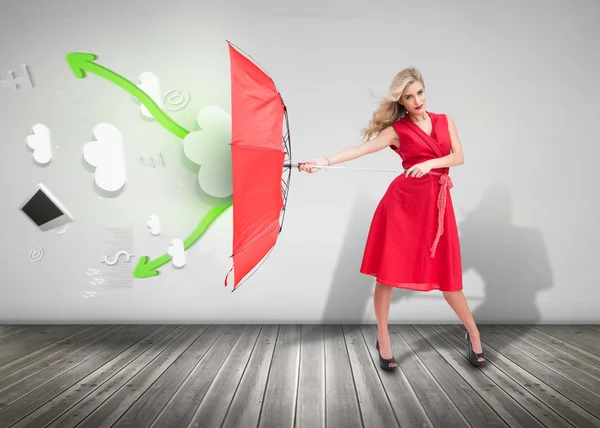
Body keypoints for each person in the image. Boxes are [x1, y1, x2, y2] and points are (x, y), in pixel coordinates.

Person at [298, 67, 486, 371]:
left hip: (436, 205)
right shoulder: (397, 130)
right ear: (401, 100)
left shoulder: (444, 120)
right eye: (409, 97)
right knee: (387, 275)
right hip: (403, 206)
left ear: (426, 90)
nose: (416, 101)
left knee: (448, 278)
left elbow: (458, 157)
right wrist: (324, 162)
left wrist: (429, 165)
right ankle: (383, 338)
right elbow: (361, 149)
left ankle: (474, 334)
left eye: (420, 93)